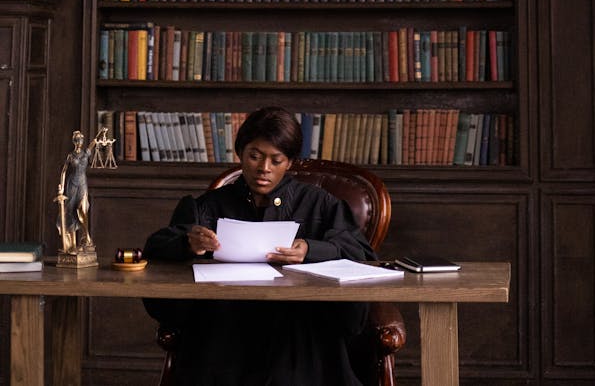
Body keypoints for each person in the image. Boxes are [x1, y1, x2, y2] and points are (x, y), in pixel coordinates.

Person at [143, 106, 376, 386]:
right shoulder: (208, 206)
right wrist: (188, 244)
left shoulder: (320, 204)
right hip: (225, 331)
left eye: (276, 160)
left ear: (289, 162)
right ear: (240, 153)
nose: (264, 169)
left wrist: (310, 251)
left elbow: (360, 255)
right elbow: (156, 250)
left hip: (298, 329)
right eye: (255, 156)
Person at [56, 129, 98, 252]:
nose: (80, 141)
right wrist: (62, 187)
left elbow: (93, 142)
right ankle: (72, 244)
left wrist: (101, 133)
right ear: (74, 141)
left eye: (81, 139)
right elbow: (64, 171)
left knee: (83, 210)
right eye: (78, 140)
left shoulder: (86, 153)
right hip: (71, 184)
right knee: (70, 211)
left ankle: (87, 236)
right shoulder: (70, 156)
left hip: (82, 184)